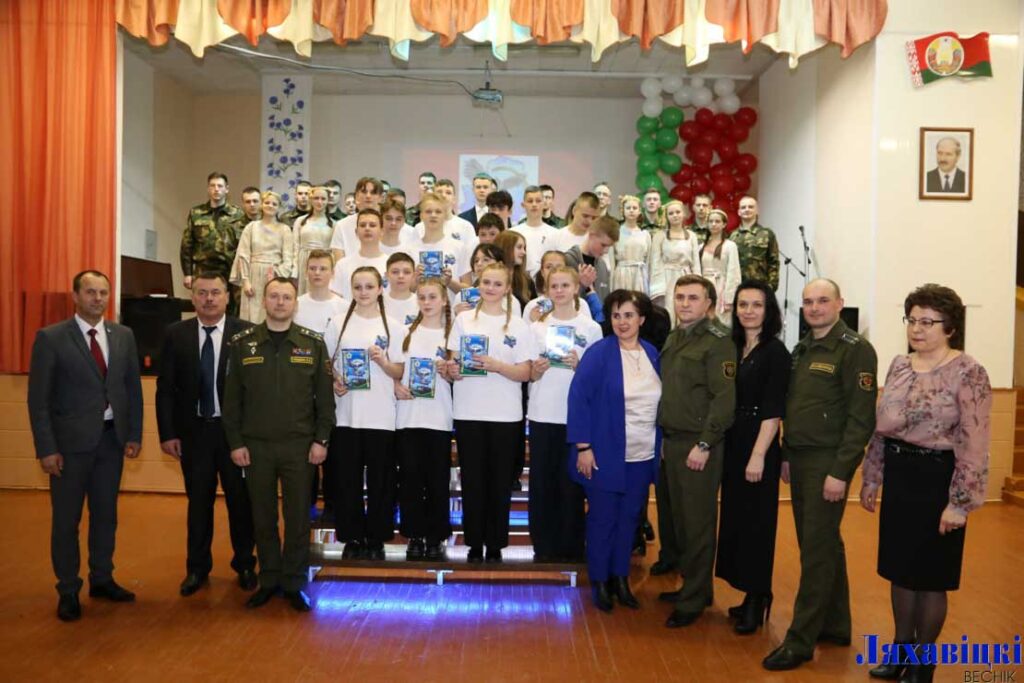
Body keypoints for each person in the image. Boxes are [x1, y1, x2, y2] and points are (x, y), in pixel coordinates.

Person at [859, 284, 990, 683]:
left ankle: (923, 661)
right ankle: (900, 650)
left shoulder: (968, 371)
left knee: (931, 576)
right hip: (901, 476)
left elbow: (975, 441)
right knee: (899, 570)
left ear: (950, 327)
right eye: (912, 320)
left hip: (939, 480)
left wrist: (960, 502)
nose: (917, 328)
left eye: (928, 322)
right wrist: (872, 476)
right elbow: (882, 428)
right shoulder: (900, 364)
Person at [762, 278, 877, 671]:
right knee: (825, 544)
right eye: (808, 302)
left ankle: (800, 640)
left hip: (828, 462)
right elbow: (797, 406)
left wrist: (841, 471)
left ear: (839, 304)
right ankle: (836, 624)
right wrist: (787, 453)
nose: (814, 308)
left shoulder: (855, 350)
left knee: (815, 550)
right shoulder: (803, 348)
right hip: (801, 458)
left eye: (823, 301)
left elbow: (861, 419)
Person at [27, 270, 143, 622]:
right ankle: (67, 589)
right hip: (68, 448)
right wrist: (47, 448)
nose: (98, 298)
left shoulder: (123, 336)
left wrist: (133, 434)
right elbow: (38, 400)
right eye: (90, 292)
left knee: (106, 515)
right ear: (75, 296)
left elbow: (132, 389)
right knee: (67, 521)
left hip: (111, 441)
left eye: (103, 292)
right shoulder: (51, 338)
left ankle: (102, 578)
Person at [223, 278, 335, 612]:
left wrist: (321, 440)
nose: (280, 302)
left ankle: (294, 582)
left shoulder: (312, 344)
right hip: (256, 446)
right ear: (264, 301)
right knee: (262, 516)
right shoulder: (243, 344)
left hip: (300, 447)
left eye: (287, 297)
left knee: (298, 518)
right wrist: (235, 442)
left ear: (295, 304)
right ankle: (269, 579)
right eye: (274, 296)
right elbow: (232, 400)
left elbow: (325, 400)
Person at [156, 272, 257, 597]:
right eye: (202, 293)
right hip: (194, 434)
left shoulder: (246, 334)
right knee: (198, 504)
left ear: (228, 297)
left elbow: (255, 391)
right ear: (193, 297)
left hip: (234, 436)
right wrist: (167, 433)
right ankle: (197, 569)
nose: (209, 299)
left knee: (240, 503)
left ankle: (245, 564)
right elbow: (165, 389)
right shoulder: (176, 334)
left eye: (215, 292)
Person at [567, 289, 660, 611]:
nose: (622, 322)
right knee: (603, 520)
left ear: (642, 319)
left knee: (629, 519)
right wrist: (583, 447)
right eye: (616, 315)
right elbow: (578, 399)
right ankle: (600, 581)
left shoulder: (652, 353)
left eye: (629, 315)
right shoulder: (599, 353)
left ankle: (621, 578)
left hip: (642, 455)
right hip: (604, 453)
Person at [657, 274, 736, 627]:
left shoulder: (719, 342)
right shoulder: (675, 337)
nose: (685, 303)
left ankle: (694, 599)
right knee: (678, 520)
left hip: (698, 443)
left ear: (709, 304)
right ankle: (693, 586)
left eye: (692, 298)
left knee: (698, 523)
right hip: (672, 440)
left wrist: (705, 443)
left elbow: (724, 398)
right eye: (680, 297)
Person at [715, 280, 789, 634]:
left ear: (768, 310)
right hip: (733, 441)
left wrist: (758, 455)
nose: (748, 311)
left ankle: (760, 596)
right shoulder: (733, 346)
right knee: (737, 520)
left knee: (758, 525)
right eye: (742, 304)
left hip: (759, 443)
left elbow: (774, 410)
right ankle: (748, 593)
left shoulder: (776, 352)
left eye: (756, 305)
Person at [446, 263, 533, 563]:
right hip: (468, 411)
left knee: (499, 483)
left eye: (497, 284)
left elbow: (526, 372)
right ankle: (473, 542)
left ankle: (495, 543)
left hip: (505, 415)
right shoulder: (463, 320)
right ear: (478, 285)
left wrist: (497, 366)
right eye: (486, 282)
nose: (491, 288)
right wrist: (453, 370)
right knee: (472, 481)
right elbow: (454, 363)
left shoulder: (518, 325)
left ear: (508, 288)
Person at [324, 267, 406, 561]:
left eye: (369, 286)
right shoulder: (338, 323)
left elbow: (400, 370)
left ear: (380, 288)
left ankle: (377, 537)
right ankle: (352, 537)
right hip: (346, 415)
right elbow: (326, 363)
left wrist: (383, 362)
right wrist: (335, 380)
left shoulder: (393, 327)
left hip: (381, 415)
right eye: (357, 287)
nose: (363, 292)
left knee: (382, 482)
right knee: (347, 480)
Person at [528, 267, 602, 561]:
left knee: (572, 485)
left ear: (576, 289)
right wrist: (536, 370)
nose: (559, 291)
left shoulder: (590, 328)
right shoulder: (536, 327)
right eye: (554, 286)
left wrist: (580, 366)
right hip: (543, 413)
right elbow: (528, 374)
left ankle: (571, 545)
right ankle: (543, 545)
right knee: (542, 483)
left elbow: (598, 379)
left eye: (565, 285)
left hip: (576, 417)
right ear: (546, 291)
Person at [396, 278, 455, 561]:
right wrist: (396, 385)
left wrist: (450, 373)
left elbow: (461, 375)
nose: (427, 302)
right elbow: (394, 370)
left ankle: (436, 536)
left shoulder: (451, 335)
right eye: (422, 297)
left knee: (437, 480)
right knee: (410, 480)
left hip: (439, 417)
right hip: (408, 417)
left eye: (433, 297)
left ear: (444, 300)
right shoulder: (405, 332)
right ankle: (414, 535)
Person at [293, 250, 349, 523]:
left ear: (332, 273)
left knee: (333, 454)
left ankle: (332, 507)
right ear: (306, 271)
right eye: (313, 268)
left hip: (333, 387)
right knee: (305, 453)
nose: (317, 273)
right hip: (301, 388)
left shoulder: (343, 306)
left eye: (323, 268)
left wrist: (337, 376)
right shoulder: (296, 305)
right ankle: (305, 507)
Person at [180, 172, 248, 312]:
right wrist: (187, 273)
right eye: (213, 186)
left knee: (231, 310)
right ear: (208, 188)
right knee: (204, 306)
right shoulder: (196, 213)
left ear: (227, 189)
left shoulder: (238, 214)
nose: (216, 189)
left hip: (229, 270)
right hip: (203, 269)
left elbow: (244, 245)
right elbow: (187, 244)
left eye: (220, 186)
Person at [230, 191, 296, 324]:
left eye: (274, 204)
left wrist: (277, 276)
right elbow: (243, 254)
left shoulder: (285, 230)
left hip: (274, 275)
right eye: (267, 202)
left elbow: (288, 257)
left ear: (279, 207)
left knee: (271, 312)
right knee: (252, 315)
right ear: (261, 204)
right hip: (253, 275)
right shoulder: (251, 227)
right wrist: (245, 281)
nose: (270, 206)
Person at [407, 192, 470, 301]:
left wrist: (450, 282)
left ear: (445, 215)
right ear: (421, 215)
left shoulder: (459, 247)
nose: (433, 215)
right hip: (418, 310)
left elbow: (468, 290)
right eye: (428, 211)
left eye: (438, 211)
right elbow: (403, 293)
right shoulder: (410, 250)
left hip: (451, 310)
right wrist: (415, 280)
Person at [649, 200, 702, 327]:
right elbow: (655, 262)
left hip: (686, 277)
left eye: (678, 212)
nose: (675, 215)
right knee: (669, 311)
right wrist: (657, 287)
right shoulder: (659, 236)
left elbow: (696, 262)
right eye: (671, 213)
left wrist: (699, 284)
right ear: (666, 216)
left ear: (683, 214)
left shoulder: (692, 236)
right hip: (667, 278)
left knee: (687, 309)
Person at [563, 215, 619, 313]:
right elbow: (560, 300)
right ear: (591, 235)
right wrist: (581, 285)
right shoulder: (567, 261)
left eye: (609, 246)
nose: (606, 251)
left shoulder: (602, 265)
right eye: (603, 245)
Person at [330, 208, 388, 299]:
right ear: (356, 232)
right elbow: (335, 300)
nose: (367, 228)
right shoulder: (342, 265)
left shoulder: (390, 265)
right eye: (362, 225)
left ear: (382, 231)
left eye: (372, 225)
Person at [699, 209, 741, 326]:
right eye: (711, 221)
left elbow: (734, 273)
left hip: (721, 287)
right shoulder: (701, 247)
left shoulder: (730, 246)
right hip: (704, 288)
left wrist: (729, 299)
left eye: (717, 221)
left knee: (721, 323)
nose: (713, 224)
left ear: (724, 224)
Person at [729, 196, 780, 290]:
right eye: (743, 207)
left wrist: (771, 286)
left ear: (757, 211)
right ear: (739, 212)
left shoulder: (766, 234)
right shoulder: (732, 236)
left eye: (751, 207)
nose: (747, 209)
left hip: (760, 286)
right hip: (737, 286)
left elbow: (773, 262)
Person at [292, 186, 335, 296]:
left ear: (328, 201)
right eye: (316, 198)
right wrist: (295, 271)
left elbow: (335, 250)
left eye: (323, 199)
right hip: (304, 262)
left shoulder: (334, 224)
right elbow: (295, 246)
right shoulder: (300, 221)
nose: (319, 202)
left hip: (324, 262)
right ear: (311, 199)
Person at [330, 177, 384, 261]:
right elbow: (339, 262)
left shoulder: (390, 224)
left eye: (373, 192)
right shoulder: (342, 225)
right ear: (356, 196)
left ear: (381, 198)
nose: (368, 196)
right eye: (364, 192)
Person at [510, 185, 559, 278]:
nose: (534, 204)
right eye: (530, 201)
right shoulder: (513, 233)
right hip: (520, 281)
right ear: (523, 205)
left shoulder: (555, 233)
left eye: (538, 201)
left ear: (544, 204)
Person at [609, 195, 652, 294]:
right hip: (622, 275)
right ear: (623, 211)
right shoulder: (616, 233)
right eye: (628, 208)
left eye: (634, 208)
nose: (631, 210)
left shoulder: (645, 235)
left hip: (640, 275)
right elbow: (612, 262)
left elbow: (648, 261)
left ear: (639, 211)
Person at [494, 230, 535, 310]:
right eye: (519, 247)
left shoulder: (527, 280)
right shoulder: (488, 277)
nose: (524, 252)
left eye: (524, 248)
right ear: (506, 248)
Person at [383, 252, 420, 324]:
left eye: (406, 272)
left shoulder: (422, 303)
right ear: (386, 275)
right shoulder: (377, 303)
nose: (401, 276)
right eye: (395, 272)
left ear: (414, 275)